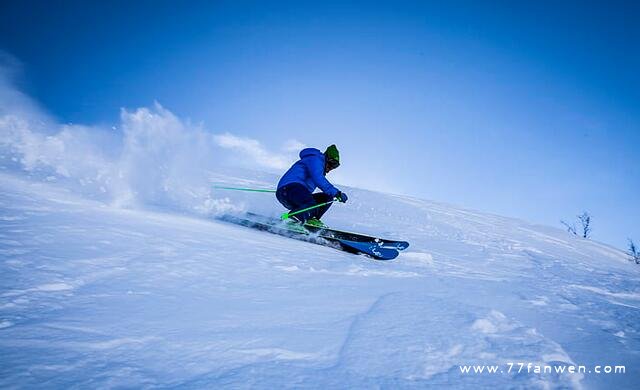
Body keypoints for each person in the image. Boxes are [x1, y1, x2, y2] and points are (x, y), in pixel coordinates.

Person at [276, 144, 348, 227]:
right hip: (288, 189)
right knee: (311, 203)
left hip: (295, 194)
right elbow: (318, 178)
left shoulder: (320, 168)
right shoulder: (316, 159)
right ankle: (292, 220)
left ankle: (310, 219)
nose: (330, 168)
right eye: (331, 164)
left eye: (334, 167)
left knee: (326, 198)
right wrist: (336, 193)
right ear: (326, 158)